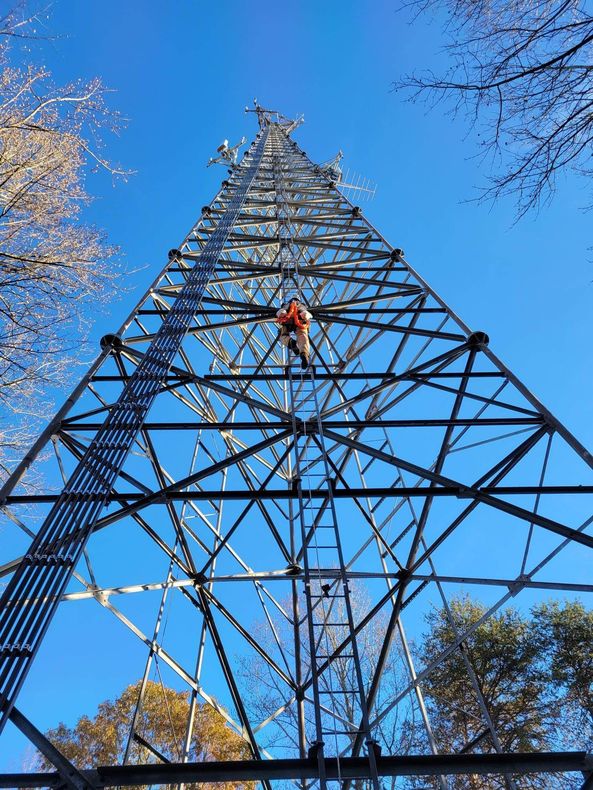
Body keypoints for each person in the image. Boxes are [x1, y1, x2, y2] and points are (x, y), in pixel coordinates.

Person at [276, 298, 312, 369]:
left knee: (282, 335)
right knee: (302, 335)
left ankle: (291, 343)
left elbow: (280, 313)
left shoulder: (286, 305)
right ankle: (304, 353)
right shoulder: (302, 305)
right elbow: (307, 313)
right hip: (300, 320)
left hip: (287, 320)